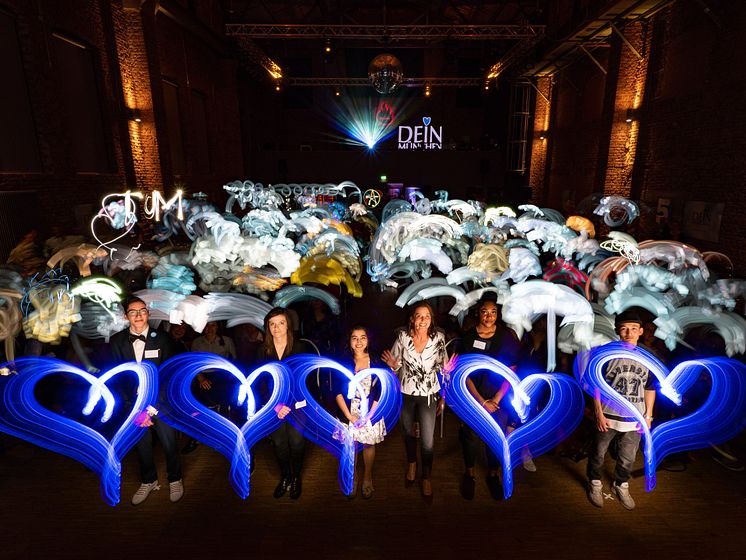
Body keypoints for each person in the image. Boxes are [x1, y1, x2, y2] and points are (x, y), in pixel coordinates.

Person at [109, 297, 183, 505]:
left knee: (169, 443)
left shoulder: (163, 339)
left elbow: (168, 375)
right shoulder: (116, 342)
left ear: (148, 313)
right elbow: (118, 378)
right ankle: (149, 480)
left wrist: (151, 406)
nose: (139, 316)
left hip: (160, 403)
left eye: (142, 311)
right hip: (134, 406)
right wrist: (136, 408)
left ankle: (175, 478)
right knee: (141, 445)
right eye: (133, 312)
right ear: (126, 316)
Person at [382, 302, 452, 503]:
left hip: (429, 395)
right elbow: (394, 367)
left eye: (427, 316)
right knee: (407, 433)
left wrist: (444, 395)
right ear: (412, 318)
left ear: (431, 320)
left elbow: (444, 369)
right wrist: (393, 367)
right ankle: (412, 464)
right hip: (406, 393)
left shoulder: (439, 339)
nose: (423, 320)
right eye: (419, 316)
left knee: (428, 441)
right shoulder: (402, 338)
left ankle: (427, 477)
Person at [586, 310, 656, 510]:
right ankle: (595, 483)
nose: (629, 333)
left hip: (634, 418)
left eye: (633, 329)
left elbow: (650, 387)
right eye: (624, 329)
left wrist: (648, 415)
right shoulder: (606, 353)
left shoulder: (648, 357)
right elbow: (596, 385)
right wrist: (598, 413)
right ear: (618, 331)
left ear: (641, 331)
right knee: (598, 453)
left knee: (628, 456)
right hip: (607, 415)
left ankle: (621, 485)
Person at [457, 294, 521, 500]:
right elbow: (463, 372)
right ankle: (470, 474)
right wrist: (481, 401)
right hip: (473, 396)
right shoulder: (467, 337)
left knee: (495, 437)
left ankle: (493, 475)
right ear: (478, 312)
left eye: (493, 312)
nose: (489, 316)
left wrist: (495, 399)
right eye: (485, 311)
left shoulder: (506, 336)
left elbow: (511, 369)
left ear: (498, 314)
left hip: (498, 398)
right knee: (471, 437)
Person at [256, 307, 308, 500]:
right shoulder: (262, 351)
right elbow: (260, 383)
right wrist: (276, 406)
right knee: (279, 444)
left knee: (296, 442)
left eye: (281, 323)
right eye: (272, 324)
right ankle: (285, 476)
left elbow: (305, 380)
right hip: (273, 407)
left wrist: (293, 404)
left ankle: (296, 477)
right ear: (268, 327)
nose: (276, 328)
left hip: (297, 405)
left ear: (288, 325)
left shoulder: (300, 347)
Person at [335, 326, 386, 499]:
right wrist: (350, 417)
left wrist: (369, 416)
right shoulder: (343, 361)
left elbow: (380, 390)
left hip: (370, 411)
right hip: (348, 411)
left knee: (368, 445)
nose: (358, 342)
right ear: (349, 341)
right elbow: (336, 391)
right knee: (351, 446)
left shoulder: (376, 360)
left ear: (368, 340)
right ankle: (354, 476)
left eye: (362, 337)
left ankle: (367, 477)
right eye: (354, 338)